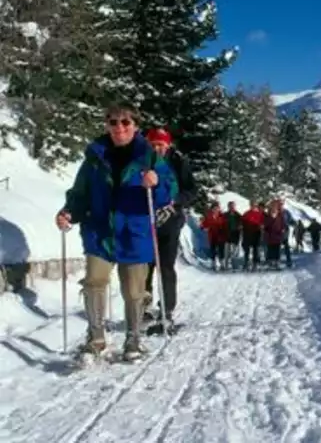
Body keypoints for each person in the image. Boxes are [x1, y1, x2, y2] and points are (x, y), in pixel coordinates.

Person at [55, 103, 178, 361]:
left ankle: (133, 340)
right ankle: (96, 339)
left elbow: (169, 189)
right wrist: (69, 212)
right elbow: (80, 193)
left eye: (125, 122)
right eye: (113, 122)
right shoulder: (95, 157)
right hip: (100, 231)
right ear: (106, 125)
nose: (119, 127)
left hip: (134, 231)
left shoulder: (150, 156)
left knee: (134, 291)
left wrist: (156, 184)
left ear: (135, 125)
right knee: (93, 282)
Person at [142, 127, 196, 333]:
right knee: (144, 266)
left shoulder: (178, 161)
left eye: (160, 144)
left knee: (165, 265)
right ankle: (142, 306)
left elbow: (191, 190)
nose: (157, 148)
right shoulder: (143, 160)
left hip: (170, 219)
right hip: (146, 220)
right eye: (153, 144)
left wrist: (175, 203)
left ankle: (166, 310)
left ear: (168, 145)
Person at [200, 202, 226, 270]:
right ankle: (213, 263)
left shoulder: (222, 216)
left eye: (217, 208)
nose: (216, 209)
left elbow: (225, 225)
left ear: (219, 209)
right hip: (212, 235)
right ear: (212, 209)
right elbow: (204, 224)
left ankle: (222, 264)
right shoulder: (208, 216)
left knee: (221, 250)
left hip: (220, 235)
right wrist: (202, 226)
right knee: (213, 250)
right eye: (214, 208)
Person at [241, 200, 264, 271]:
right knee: (247, 249)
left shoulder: (259, 214)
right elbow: (242, 222)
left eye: (254, 205)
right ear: (250, 205)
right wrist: (241, 227)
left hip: (256, 233)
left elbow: (263, 223)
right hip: (247, 233)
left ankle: (255, 263)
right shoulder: (246, 213)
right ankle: (246, 262)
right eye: (252, 205)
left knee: (255, 249)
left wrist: (262, 227)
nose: (253, 206)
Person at [263, 199, 287, 269]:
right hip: (270, 236)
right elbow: (265, 226)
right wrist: (266, 232)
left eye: (275, 208)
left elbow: (283, 225)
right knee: (270, 250)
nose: (274, 209)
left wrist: (283, 230)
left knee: (277, 250)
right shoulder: (267, 216)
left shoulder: (280, 216)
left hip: (277, 236)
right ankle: (270, 263)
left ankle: (277, 263)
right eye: (272, 207)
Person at [222, 201, 242, 270]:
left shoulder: (238, 215)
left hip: (235, 235)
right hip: (227, 235)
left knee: (235, 252)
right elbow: (221, 224)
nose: (232, 208)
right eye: (230, 206)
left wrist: (240, 228)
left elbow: (241, 225)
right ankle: (226, 265)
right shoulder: (224, 215)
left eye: (233, 206)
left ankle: (234, 265)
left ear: (235, 207)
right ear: (228, 207)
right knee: (226, 252)